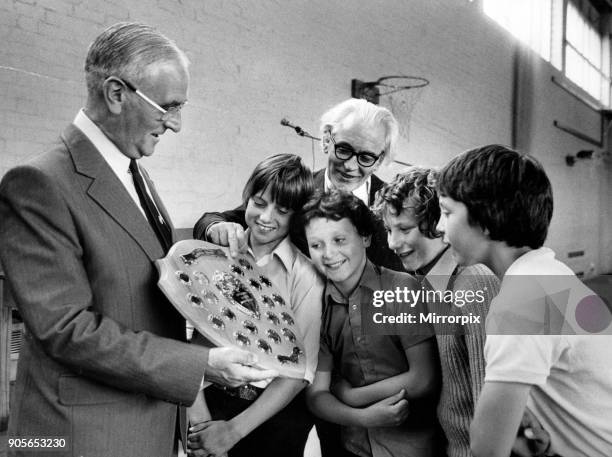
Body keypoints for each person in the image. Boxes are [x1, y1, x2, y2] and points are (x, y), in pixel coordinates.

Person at [0, 22, 276, 457]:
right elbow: (66, 329)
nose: (177, 124)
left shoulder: (133, 172)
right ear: (116, 94)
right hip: (82, 435)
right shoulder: (39, 183)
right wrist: (199, 365)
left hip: (144, 424)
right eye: (169, 106)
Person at [436, 144, 612, 457]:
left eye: (448, 212)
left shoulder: (525, 296)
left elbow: (488, 449)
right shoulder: (546, 274)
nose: (439, 226)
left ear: (486, 219)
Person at [187, 154, 324, 457]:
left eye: (282, 210)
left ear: (297, 216)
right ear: (247, 199)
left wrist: (231, 433)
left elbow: (299, 373)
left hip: (269, 417)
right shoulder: (210, 256)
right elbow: (192, 344)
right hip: (205, 403)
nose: (266, 217)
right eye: (259, 203)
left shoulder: (306, 277)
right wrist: (201, 424)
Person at [303, 190, 440, 457]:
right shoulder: (319, 307)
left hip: (413, 449)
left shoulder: (402, 287)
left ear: (365, 238)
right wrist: (364, 417)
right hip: (353, 447)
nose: (329, 254)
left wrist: (353, 397)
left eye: (340, 240)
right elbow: (316, 395)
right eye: (316, 245)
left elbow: (424, 378)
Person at [372, 168, 499, 457]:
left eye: (405, 229)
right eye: (389, 231)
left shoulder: (474, 281)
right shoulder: (429, 285)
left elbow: (491, 407)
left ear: (439, 225)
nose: (393, 243)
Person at [193, 98, 404, 271]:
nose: (350, 166)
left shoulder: (398, 208)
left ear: (380, 160)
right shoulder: (300, 189)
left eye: (366, 157)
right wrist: (216, 227)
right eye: (344, 149)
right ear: (326, 141)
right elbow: (216, 220)